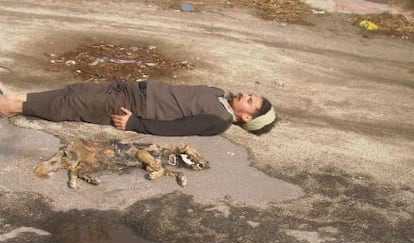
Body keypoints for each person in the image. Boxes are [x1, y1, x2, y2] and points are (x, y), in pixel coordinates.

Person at [0, 79, 277, 136]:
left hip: (132, 105)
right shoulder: (220, 95)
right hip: (132, 89)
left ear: (246, 116)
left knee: (72, 104)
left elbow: (177, 129)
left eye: (249, 100)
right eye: (251, 94)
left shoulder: (219, 120)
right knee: (75, 90)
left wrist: (135, 124)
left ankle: (11, 106)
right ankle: (20, 98)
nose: (245, 94)